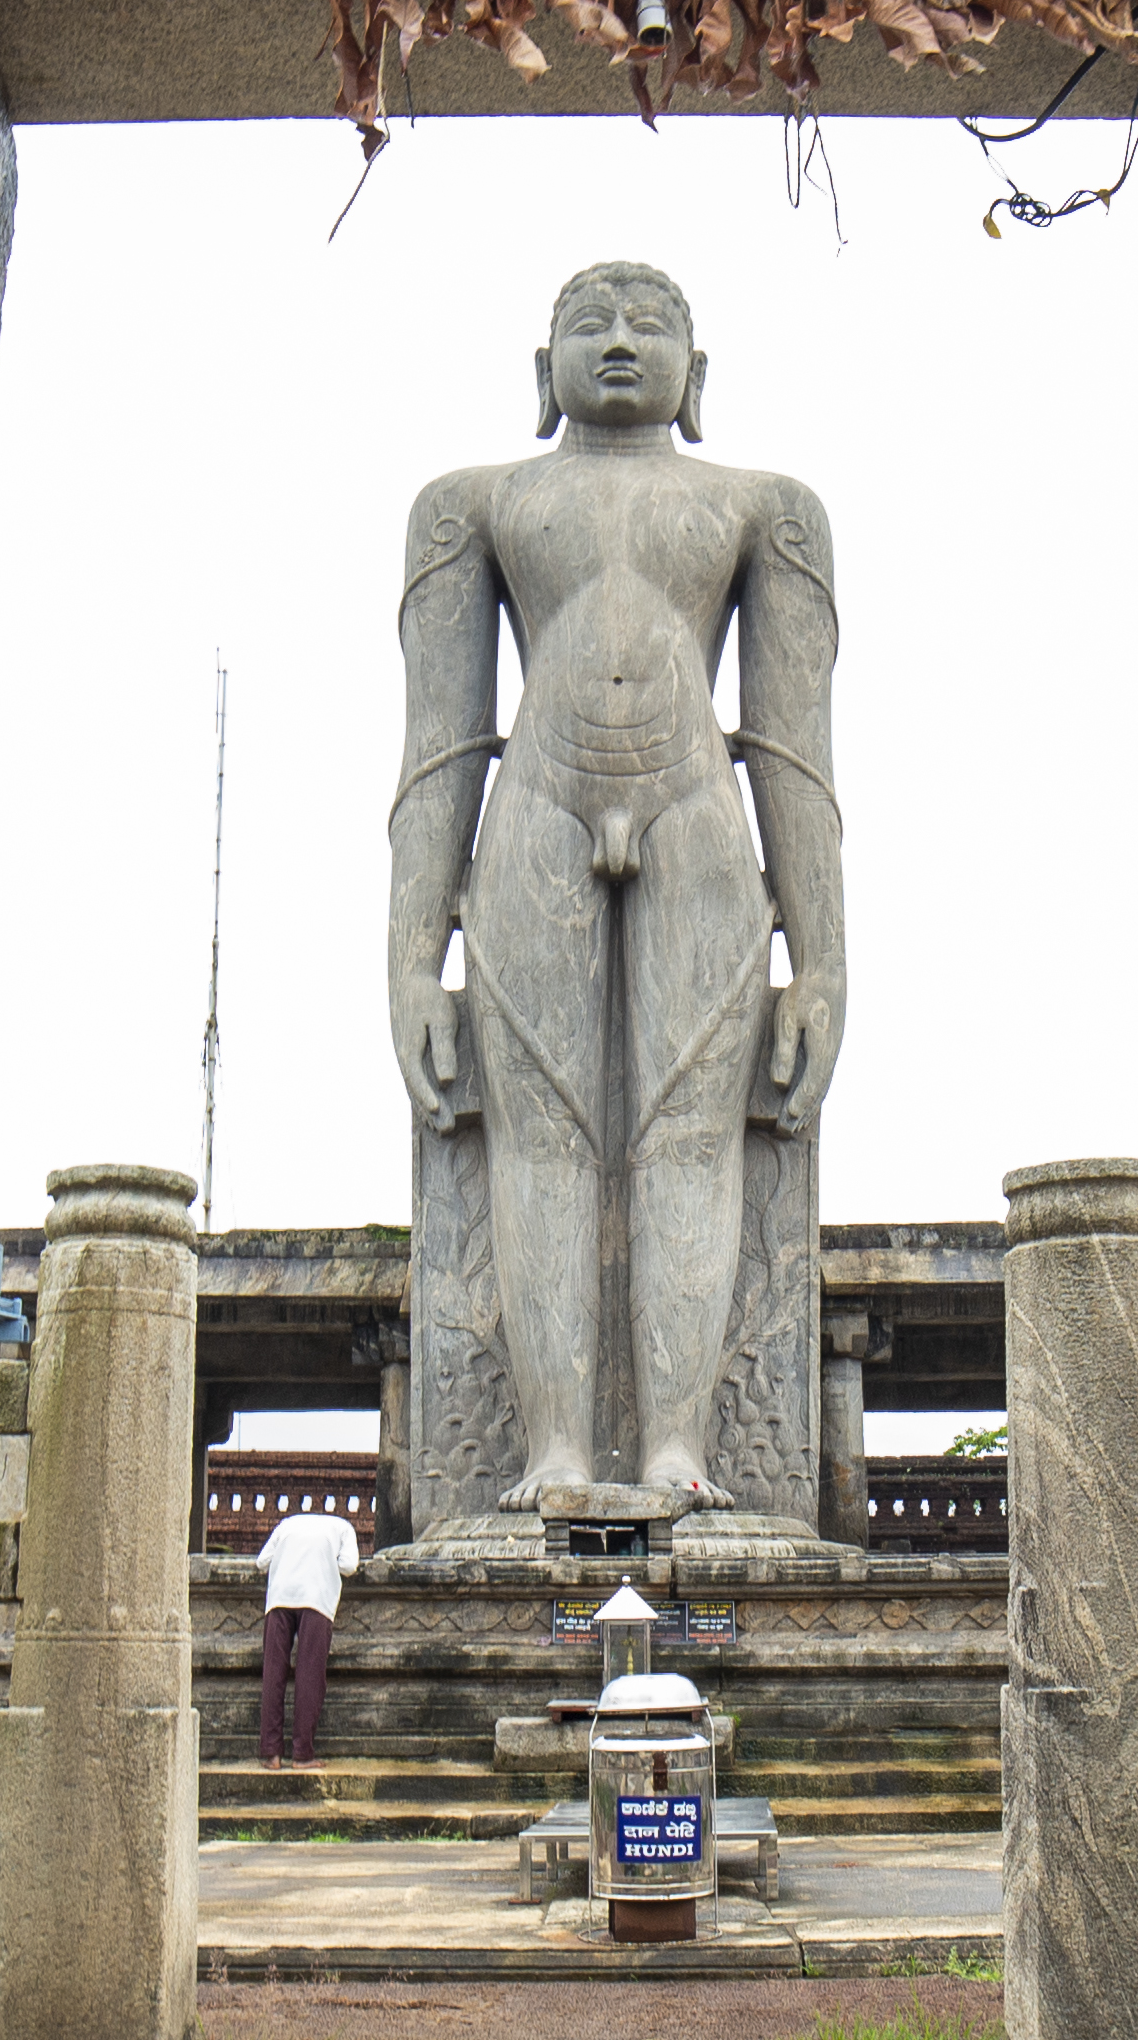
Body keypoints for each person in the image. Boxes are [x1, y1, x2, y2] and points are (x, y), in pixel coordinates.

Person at [386, 259, 847, 1507]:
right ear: (543, 373)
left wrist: (824, 962)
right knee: (540, 1135)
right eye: (591, 324)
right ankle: (549, 1449)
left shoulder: (768, 508)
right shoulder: (469, 506)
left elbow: (793, 749)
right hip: (531, 815)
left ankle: (678, 1448)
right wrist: (411, 961)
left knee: (690, 1137)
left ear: (701, 375)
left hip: (701, 821)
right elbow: (440, 745)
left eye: (654, 325)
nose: (624, 341)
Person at [252, 1498, 364, 1765]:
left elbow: (262, 1562)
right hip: (316, 1600)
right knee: (309, 1675)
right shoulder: (343, 1527)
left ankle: (272, 1753)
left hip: (279, 1599)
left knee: (273, 1675)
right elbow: (349, 1566)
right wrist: (323, 1564)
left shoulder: (286, 1525)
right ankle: (302, 1754)